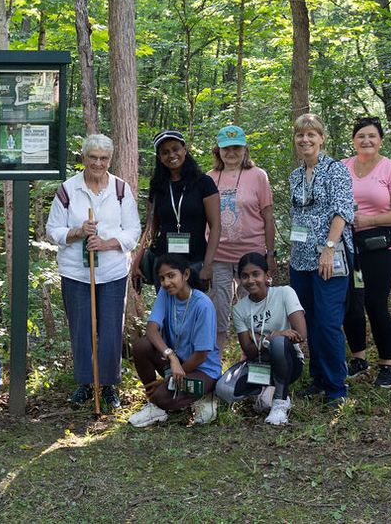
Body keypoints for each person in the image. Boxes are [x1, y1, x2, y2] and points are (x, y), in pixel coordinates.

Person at [45, 134, 140, 409]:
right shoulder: (68, 190)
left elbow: (133, 230)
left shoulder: (120, 190)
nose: (98, 163)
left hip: (112, 271)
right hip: (76, 272)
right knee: (82, 329)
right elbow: (53, 230)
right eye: (93, 157)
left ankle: (108, 386)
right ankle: (86, 384)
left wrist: (107, 243)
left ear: (110, 160)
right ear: (83, 158)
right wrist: (77, 232)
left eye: (103, 158)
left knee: (111, 329)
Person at [342, 117, 391, 389]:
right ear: (353, 140)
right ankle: (359, 358)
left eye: (372, 136)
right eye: (361, 136)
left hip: (381, 245)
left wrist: (369, 220)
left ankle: (388, 365)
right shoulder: (342, 167)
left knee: (375, 303)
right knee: (350, 302)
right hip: (346, 245)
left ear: (380, 140)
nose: (366, 141)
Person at [288, 113, 354, 406]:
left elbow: (342, 211)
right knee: (309, 321)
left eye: (311, 134)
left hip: (330, 256)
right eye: (301, 135)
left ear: (322, 138)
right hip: (300, 259)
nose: (306, 140)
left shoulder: (336, 171)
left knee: (328, 322)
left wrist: (329, 247)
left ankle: (336, 387)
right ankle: (318, 379)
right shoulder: (294, 176)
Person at [128, 254, 222, 427]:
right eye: (162, 278)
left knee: (162, 396)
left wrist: (165, 381)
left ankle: (205, 395)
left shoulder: (203, 305)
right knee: (142, 346)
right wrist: (171, 357)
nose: (166, 282)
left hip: (202, 369)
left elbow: (201, 356)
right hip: (176, 364)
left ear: (185, 275)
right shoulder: (166, 294)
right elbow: (151, 330)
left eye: (171, 276)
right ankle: (154, 405)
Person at [205, 125, 275, 351]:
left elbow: (267, 216)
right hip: (218, 256)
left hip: (252, 255)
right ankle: (213, 364)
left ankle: (254, 360)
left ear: (245, 149)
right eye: (226, 148)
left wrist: (270, 253)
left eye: (236, 147)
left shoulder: (258, 176)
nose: (231, 152)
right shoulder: (209, 178)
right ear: (218, 151)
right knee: (217, 310)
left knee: (255, 310)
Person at [215, 253, 306, 425]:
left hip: (288, 362)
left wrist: (258, 337)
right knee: (223, 389)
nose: (250, 280)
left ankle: (279, 403)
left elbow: (300, 334)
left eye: (255, 274)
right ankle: (267, 390)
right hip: (259, 364)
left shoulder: (284, 293)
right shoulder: (240, 309)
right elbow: (249, 351)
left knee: (279, 343)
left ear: (267, 275)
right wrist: (272, 336)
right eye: (244, 276)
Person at [132, 130, 220, 295]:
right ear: (159, 157)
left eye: (175, 149)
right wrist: (136, 262)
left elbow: (216, 227)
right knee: (167, 317)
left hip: (195, 263)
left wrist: (208, 265)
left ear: (184, 150)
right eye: (165, 152)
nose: (171, 155)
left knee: (193, 315)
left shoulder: (204, 183)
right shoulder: (158, 186)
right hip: (164, 266)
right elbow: (151, 227)